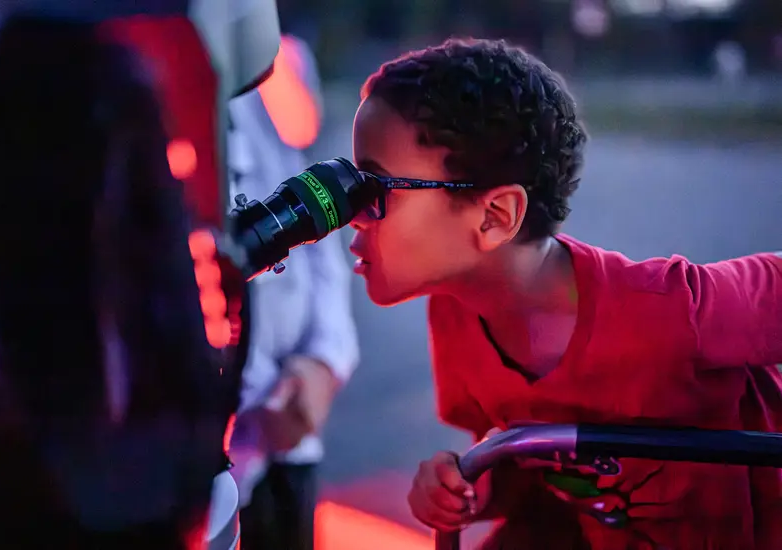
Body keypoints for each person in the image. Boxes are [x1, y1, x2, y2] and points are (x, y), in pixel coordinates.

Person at [347, 37, 782, 549]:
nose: (351, 213)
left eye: (375, 192)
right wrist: (466, 489)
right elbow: (523, 463)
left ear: (495, 217)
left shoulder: (668, 309)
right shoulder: (456, 316)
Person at [227, 34, 359, 550]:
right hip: (190, 461)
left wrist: (325, 361)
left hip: (286, 446)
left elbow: (312, 220)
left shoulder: (270, 54)